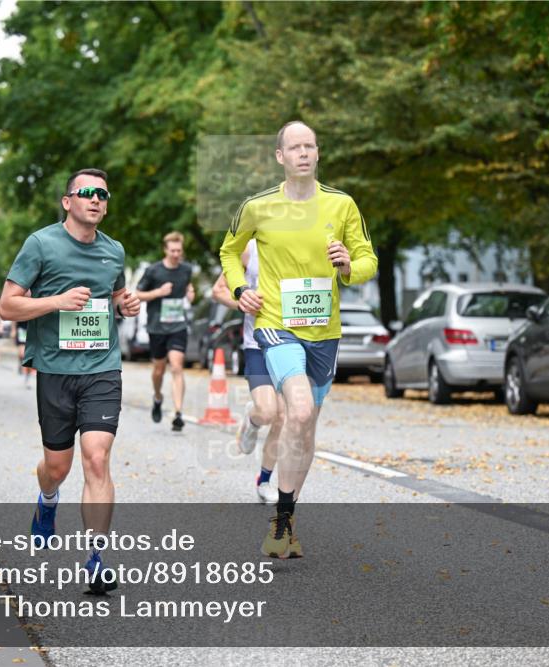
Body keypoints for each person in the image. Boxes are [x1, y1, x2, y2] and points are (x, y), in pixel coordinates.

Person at [220, 120, 378, 558]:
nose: (303, 153)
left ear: (318, 154)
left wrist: (349, 264)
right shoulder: (258, 206)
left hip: (324, 332)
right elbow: (229, 252)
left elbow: (368, 259)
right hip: (275, 323)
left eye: (310, 146)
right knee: (299, 408)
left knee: (306, 427)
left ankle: (286, 520)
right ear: (280, 156)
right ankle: (280, 523)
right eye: (295, 147)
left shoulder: (342, 205)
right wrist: (240, 290)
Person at [0, 167, 140, 594]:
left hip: (101, 369)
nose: (96, 200)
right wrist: (57, 301)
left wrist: (126, 302)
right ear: (68, 201)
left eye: (103, 194)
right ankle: (47, 500)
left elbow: (115, 296)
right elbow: (7, 306)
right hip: (56, 372)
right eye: (87, 193)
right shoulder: (41, 244)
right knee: (57, 468)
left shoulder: (113, 251)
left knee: (96, 459)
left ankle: (96, 557)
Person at [211, 239, 282, 504]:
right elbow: (218, 291)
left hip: (293, 343)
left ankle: (264, 480)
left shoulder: (302, 244)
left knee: (283, 415)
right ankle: (252, 420)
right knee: (267, 411)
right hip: (258, 344)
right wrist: (242, 302)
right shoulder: (248, 250)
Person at [135, 231, 195, 432]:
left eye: (179, 250)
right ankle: (158, 397)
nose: (176, 254)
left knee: (177, 366)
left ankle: (178, 413)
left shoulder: (186, 270)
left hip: (178, 325)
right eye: (172, 250)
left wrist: (190, 294)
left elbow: (188, 289)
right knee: (159, 369)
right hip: (157, 327)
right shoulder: (153, 271)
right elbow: (137, 294)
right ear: (165, 250)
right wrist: (158, 292)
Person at [13, 318, 34, 389]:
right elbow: (14, 317)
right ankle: (20, 363)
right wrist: (13, 330)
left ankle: (27, 378)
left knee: (30, 357)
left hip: (32, 330)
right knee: (22, 354)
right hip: (21, 330)